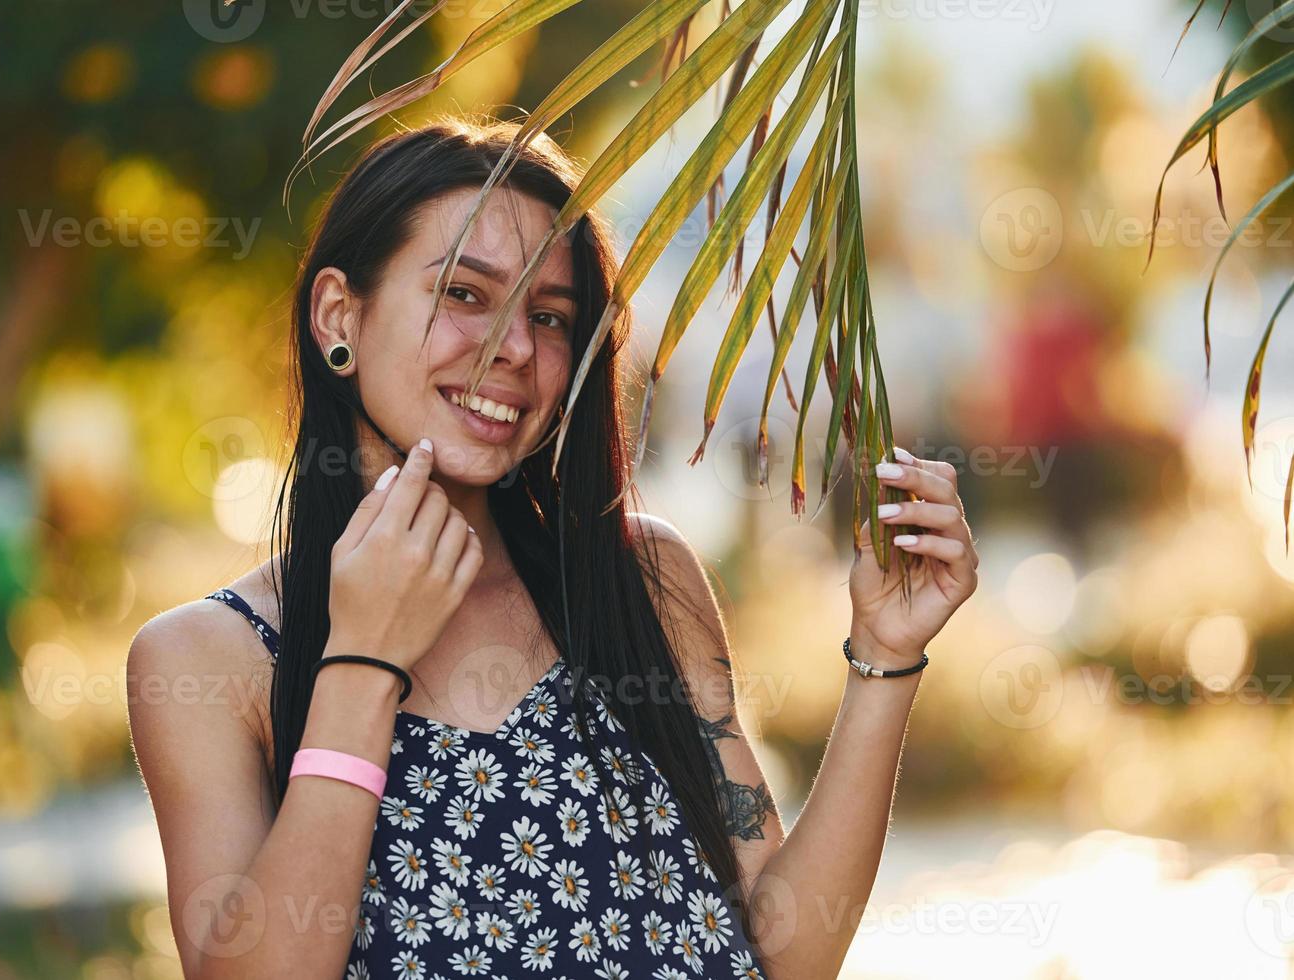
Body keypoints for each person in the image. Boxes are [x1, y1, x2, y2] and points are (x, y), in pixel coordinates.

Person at [126, 115, 979, 980]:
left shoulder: (644, 581)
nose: (517, 350)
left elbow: (782, 954)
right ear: (339, 313)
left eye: (551, 315)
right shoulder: (207, 660)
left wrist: (884, 657)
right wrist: (363, 659)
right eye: (464, 293)